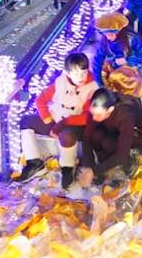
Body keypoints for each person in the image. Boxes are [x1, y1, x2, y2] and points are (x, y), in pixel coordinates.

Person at [14, 52, 94, 188]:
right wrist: (48, 120)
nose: (80, 78)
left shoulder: (92, 88)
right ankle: (35, 163)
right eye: (76, 73)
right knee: (26, 121)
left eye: (83, 73)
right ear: (67, 73)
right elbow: (41, 100)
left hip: (77, 124)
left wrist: (63, 124)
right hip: (56, 119)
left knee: (66, 135)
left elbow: (87, 116)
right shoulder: (60, 83)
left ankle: (68, 168)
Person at [76, 87, 142, 189]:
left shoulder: (125, 115)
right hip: (112, 129)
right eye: (92, 113)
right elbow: (86, 137)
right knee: (95, 135)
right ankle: (103, 167)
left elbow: (122, 154)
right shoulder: (98, 112)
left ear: (110, 109)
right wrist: (88, 166)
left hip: (135, 134)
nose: (94, 118)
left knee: (109, 143)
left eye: (98, 114)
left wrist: (94, 171)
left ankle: (126, 166)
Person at [90, 13, 142, 82]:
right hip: (114, 74)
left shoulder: (131, 38)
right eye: (106, 35)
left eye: (110, 35)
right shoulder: (104, 42)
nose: (108, 38)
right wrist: (99, 82)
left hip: (131, 72)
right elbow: (97, 60)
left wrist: (127, 60)